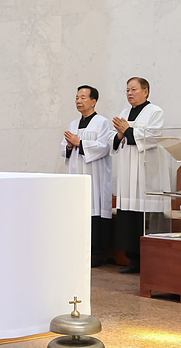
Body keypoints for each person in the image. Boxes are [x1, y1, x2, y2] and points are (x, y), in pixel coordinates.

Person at [111, 77, 170, 274]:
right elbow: (115, 140)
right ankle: (133, 260)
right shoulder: (123, 113)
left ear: (145, 91)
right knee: (128, 216)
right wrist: (119, 135)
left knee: (145, 216)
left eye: (134, 89)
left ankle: (151, 261)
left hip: (147, 174)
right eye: (127, 90)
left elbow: (153, 137)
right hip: (127, 172)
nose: (129, 93)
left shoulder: (155, 112)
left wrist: (128, 131)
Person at [62, 86, 116, 267]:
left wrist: (80, 142)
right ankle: (78, 252)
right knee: (78, 213)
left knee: (94, 211)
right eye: (77, 98)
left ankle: (96, 254)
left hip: (95, 176)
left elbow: (104, 147)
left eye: (83, 98)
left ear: (93, 101)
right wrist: (69, 146)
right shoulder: (73, 124)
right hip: (76, 173)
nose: (78, 101)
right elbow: (64, 148)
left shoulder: (102, 123)